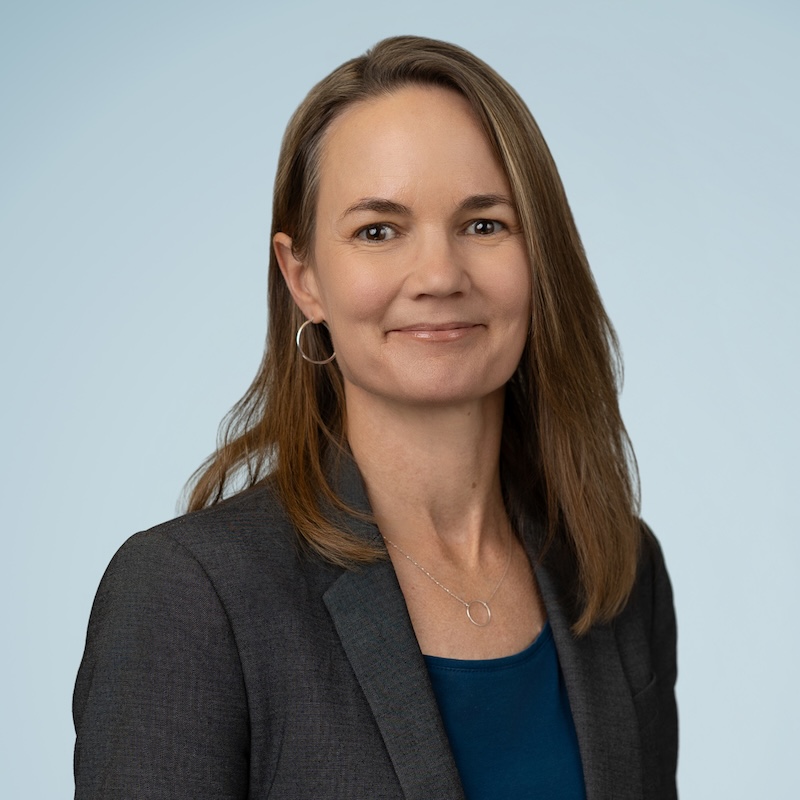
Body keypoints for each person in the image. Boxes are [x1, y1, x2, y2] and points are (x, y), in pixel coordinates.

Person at [73, 35, 677, 800]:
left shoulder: (614, 569)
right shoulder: (188, 596)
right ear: (304, 278)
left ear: (540, 256)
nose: (438, 276)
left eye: (485, 224)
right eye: (378, 231)